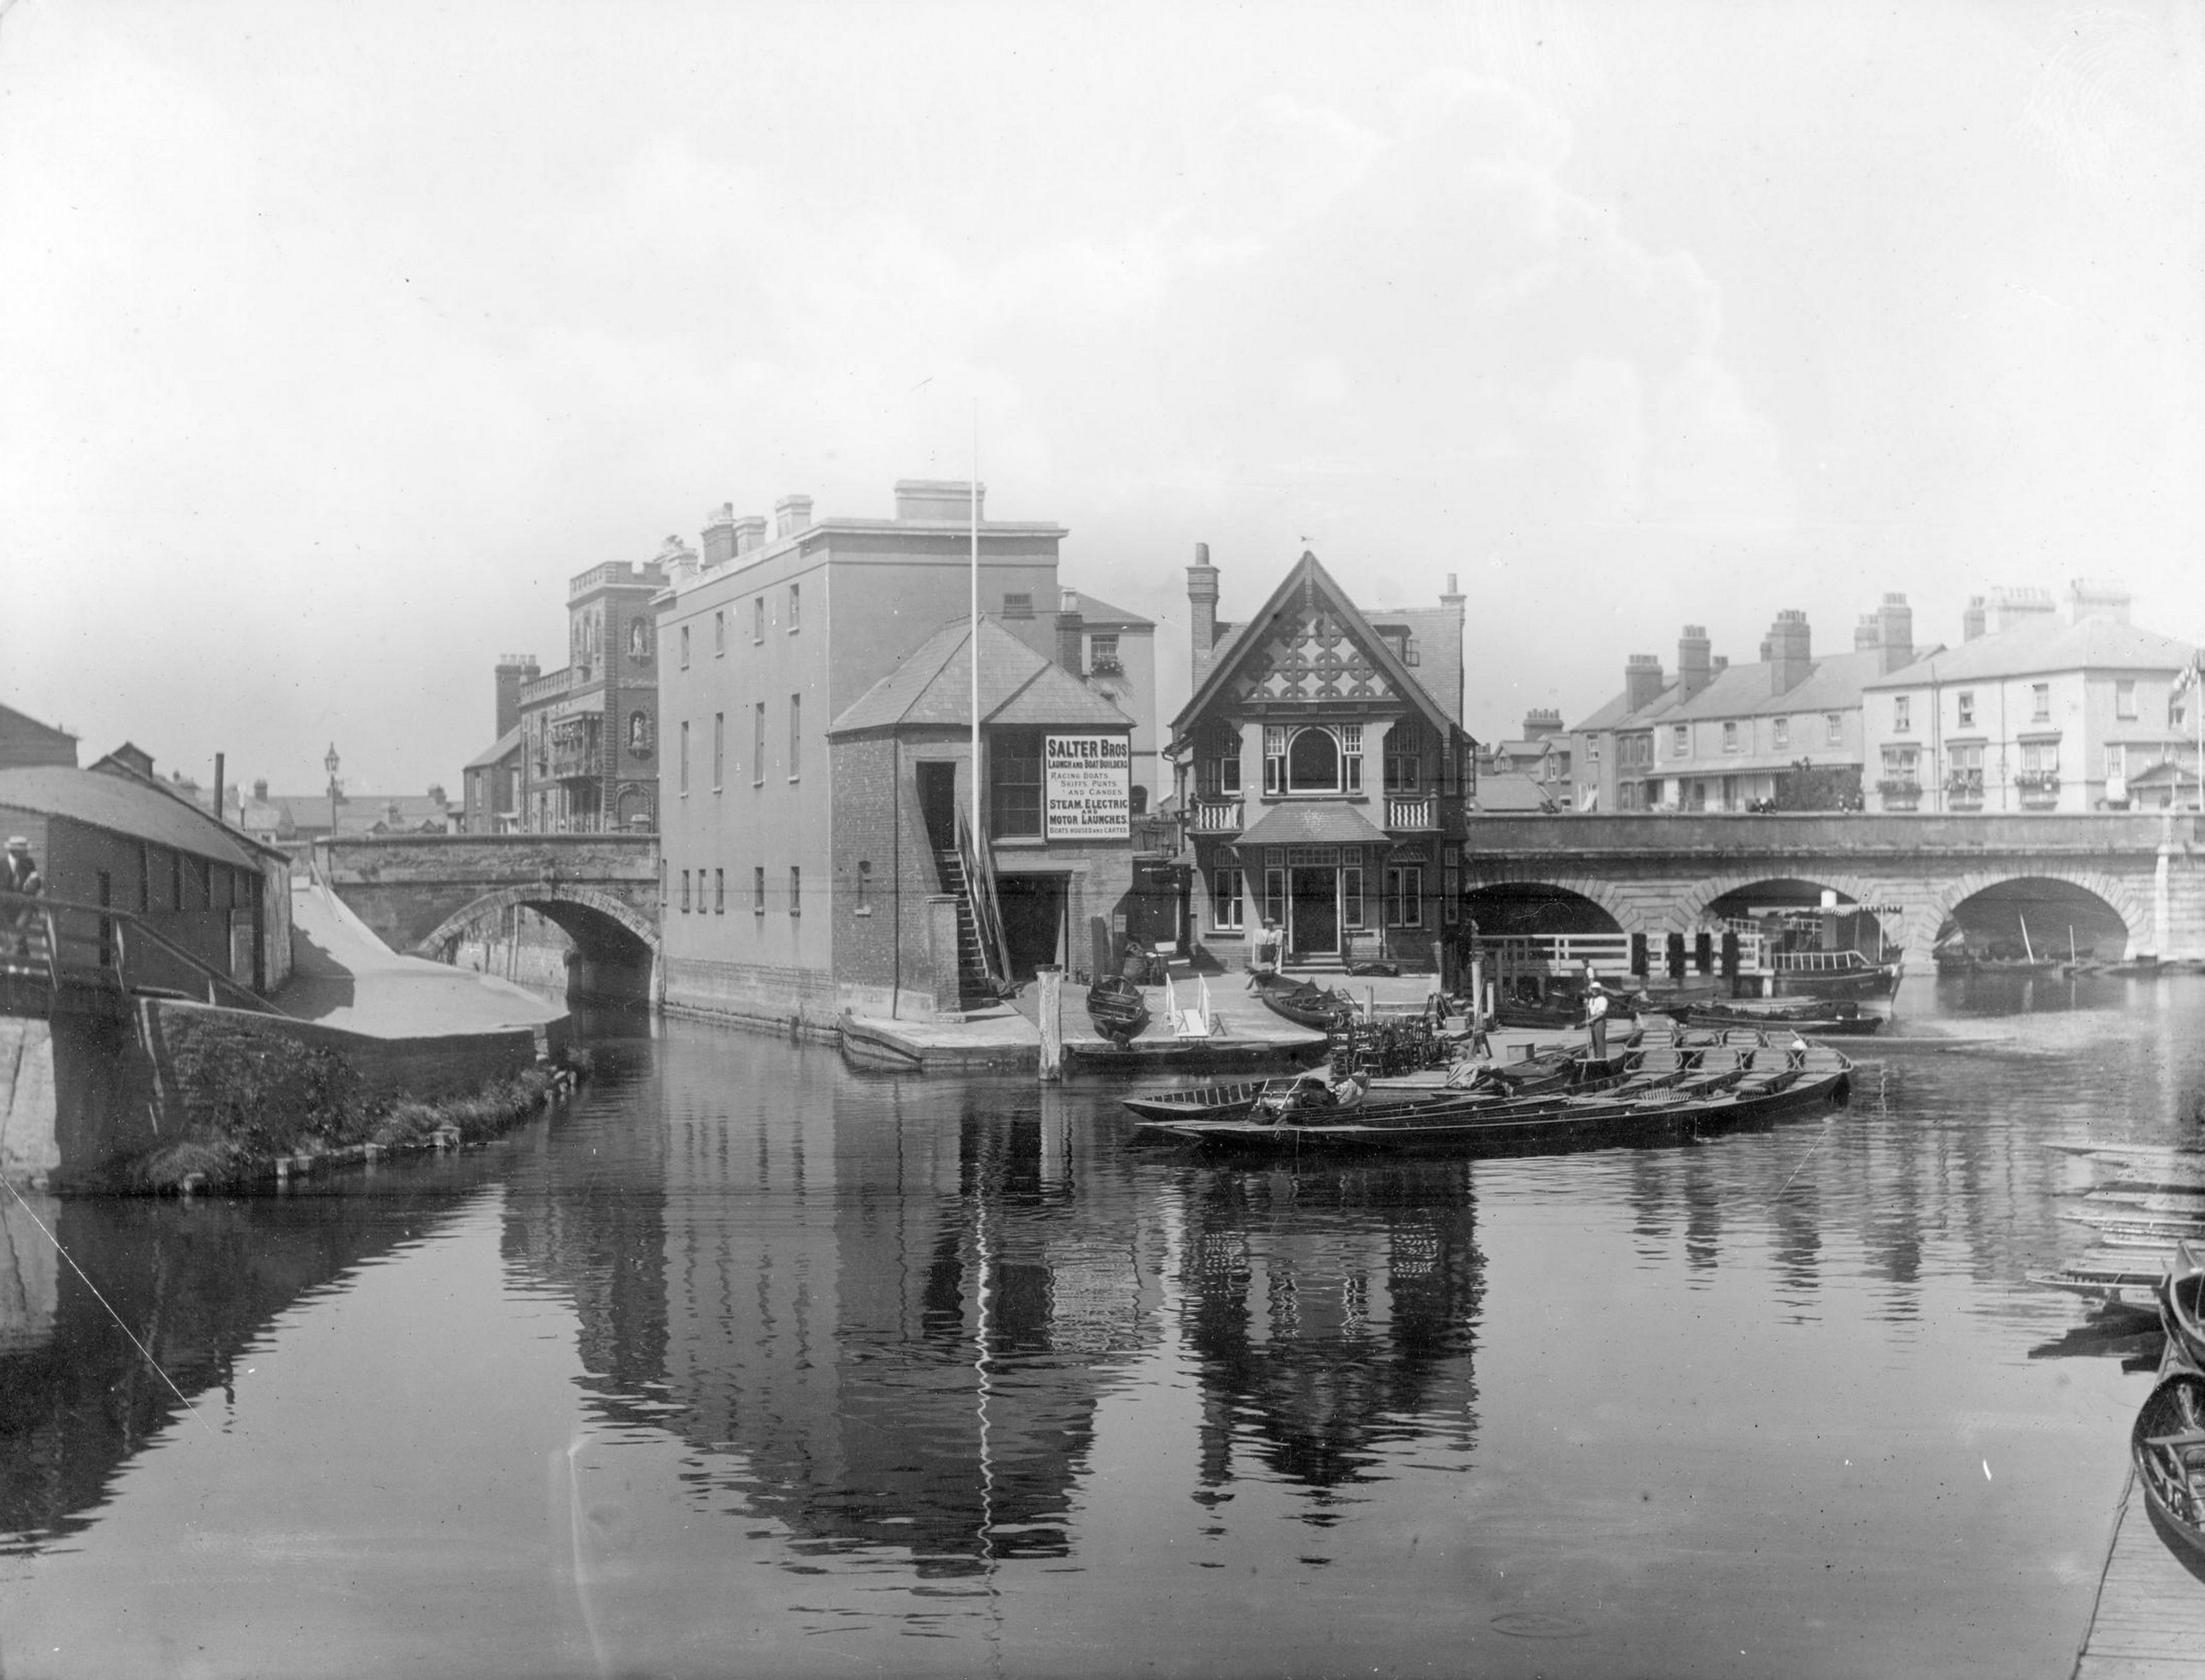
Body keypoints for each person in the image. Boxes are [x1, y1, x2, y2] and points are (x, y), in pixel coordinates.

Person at [3, 837, 43, 960]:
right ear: (13, 851)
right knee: (12, 929)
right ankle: (17, 956)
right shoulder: (1, 864)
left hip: (22, 907)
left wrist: (33, 885)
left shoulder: (28, 863)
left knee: (26, 913)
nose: (26, 853)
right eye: (23, 851)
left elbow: (36, 882)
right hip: (4, 907)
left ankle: (10, 951)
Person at [1246, 918, 1282, 991]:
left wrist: (1276, 956)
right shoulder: (1263, 932)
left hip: (1272, 950)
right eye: (1267, 924)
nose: (1269, 926)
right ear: (1265, 925)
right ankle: (1261, 987)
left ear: (1273, 925)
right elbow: (1260, 945)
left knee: (1270, 968)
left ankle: (1270, 986)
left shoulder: (1276, 933)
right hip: (1264, 950)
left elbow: (1278, 946)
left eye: (1271, 924)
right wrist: (1259, 954)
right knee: (1262, 968)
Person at [1584, 978, 1610, 1057]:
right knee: (1594, 1042)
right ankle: (1596, 1058)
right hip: (1593, 1021)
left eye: (1597, 990)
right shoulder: (1591, 1000)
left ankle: (1602, 1059)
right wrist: (1589, 1020)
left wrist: (1590, 1020)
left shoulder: (1603, 999)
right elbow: (1590, 1011)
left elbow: (1601, 1014)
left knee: (1600, 1041)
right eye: (1593, 989)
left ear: (1600, 990)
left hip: (1600, 1022)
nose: (1595, 991)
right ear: (1591, 990)